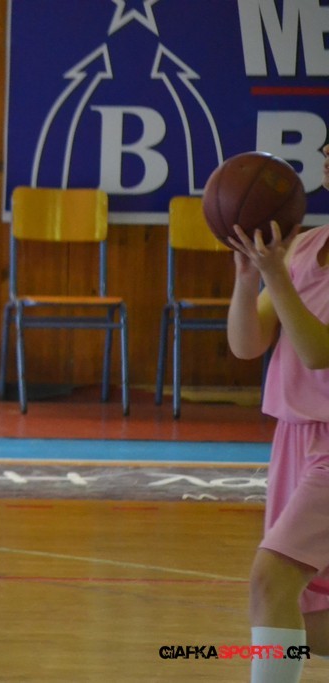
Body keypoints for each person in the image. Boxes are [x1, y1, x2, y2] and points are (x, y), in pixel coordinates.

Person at [227, 142, 329, 683]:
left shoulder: (289, 264)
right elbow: (247, 344)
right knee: (306, 618)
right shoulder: (305, 247)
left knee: (270, 580)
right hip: (293, 438)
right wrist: (249, 280)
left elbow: (317, 351)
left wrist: (277, 277)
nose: (328, 152)